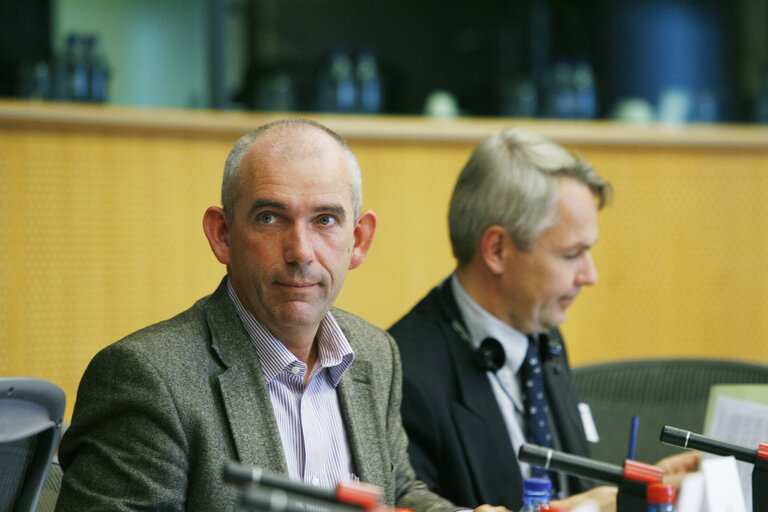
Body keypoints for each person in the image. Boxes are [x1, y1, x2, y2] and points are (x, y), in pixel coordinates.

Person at [55, 119, 480, 512]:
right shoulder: (146, 377)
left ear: (359, 239)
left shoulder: (375, 353)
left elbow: (399, 492)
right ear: (222, 234)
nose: (300, 252)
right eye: (270, 218)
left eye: (325, 219)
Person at [388, 129, 698, 512]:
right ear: (498, 250)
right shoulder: (404, 374)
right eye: (572, 254)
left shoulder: (542, 334)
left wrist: (638, 492)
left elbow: (571, 492)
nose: (590, 275)